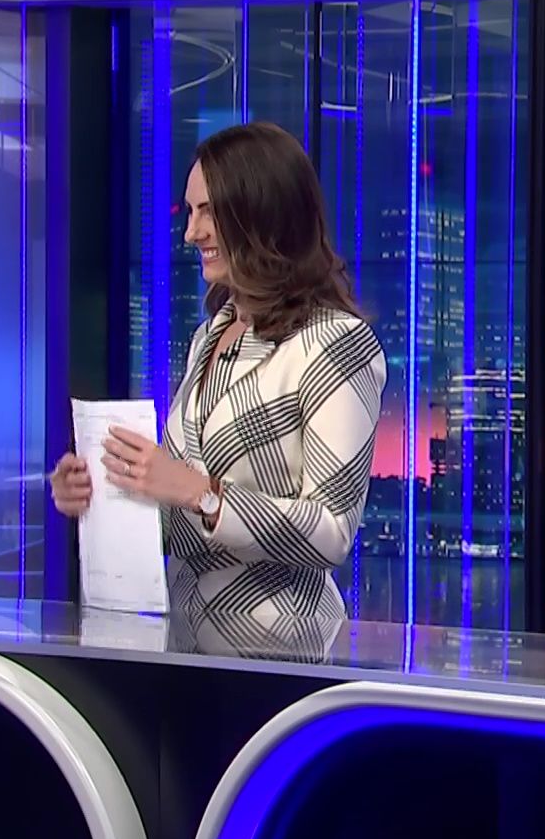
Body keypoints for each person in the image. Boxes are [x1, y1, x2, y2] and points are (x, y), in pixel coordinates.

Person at [50, 121, 385, 622]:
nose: (191, 232)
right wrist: (101, 492)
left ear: (260, 211)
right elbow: (182, 515)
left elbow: (332, 532)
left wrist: (198, 491)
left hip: (281, 649)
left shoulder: (335, 342)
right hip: (182, 641)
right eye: (190, 212)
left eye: (208, 211)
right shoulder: (209, 337)